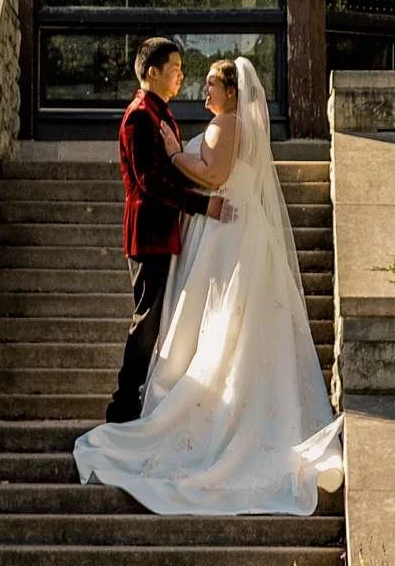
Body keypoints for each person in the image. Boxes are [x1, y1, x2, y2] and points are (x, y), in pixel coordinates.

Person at [76, 54, 345, 519]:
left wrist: (178, 154)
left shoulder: (225, 125)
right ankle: (141, 398)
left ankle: (142, 403)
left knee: (211, 318)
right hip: (224, 228)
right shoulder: (205, 121)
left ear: (232, 91)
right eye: (186, 76)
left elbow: (216, 176)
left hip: (225, 231)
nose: (201, 91)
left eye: (210, 85)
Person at [104, 35, 229, 424]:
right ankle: (122, 404)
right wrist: (202, 204)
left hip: (165, 230)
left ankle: (136, 400)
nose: (181, 75)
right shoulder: (141, 115)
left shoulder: (159, 112)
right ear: (152, 72)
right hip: (148, 232)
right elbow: (150, 182)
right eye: (174, 69)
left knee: (158, 318)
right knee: (148, 319)